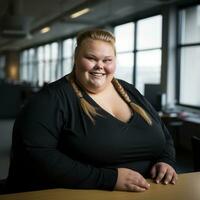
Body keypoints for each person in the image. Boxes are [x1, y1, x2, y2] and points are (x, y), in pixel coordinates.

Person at [5, 29, 177, 194]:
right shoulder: (50, 99)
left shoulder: (130, 91)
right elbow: (37, 156)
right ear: (76, 58)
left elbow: (164, 136)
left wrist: (165, 161)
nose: (99, 66)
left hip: (152, 190)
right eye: (91, 58)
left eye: (107, 60)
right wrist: (109, 179)